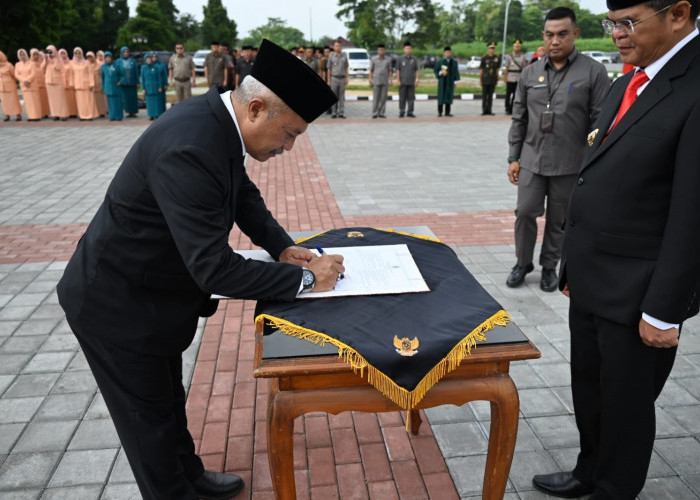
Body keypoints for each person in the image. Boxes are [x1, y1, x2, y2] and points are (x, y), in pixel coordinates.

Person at [56, 38, 342, 500]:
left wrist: (282, 247)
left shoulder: (217, 124)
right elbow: (214, 268)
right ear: (255, 109)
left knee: (168, 401)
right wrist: (307, 278)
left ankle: (190, 476)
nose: (288, 147)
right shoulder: (190, 146)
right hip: (116, 304)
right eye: (289, 134)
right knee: (146, 420)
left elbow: (241, 193)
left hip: (153, 294)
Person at [532, 0, 700, 498]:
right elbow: (595, 171)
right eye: (613, 23)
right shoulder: (629, 81)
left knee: (626, 406)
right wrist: (571, 267)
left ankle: (614, 489)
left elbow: (693, 213)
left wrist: (665, 310)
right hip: (591, 278)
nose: (619, 35)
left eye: (630, 22)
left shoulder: (693, 86)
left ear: (679, 14)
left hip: (640, 290)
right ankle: (589, 471)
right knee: (590, 388)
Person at [506, 6, 609, 292]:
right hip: (532, 159)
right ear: (543, 35)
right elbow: (519, 118)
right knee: (525, 212)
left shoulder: (593, 72)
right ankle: (522, 263)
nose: (555, 41)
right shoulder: (530, 73)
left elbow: (598, 123)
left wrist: (591, 163)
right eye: (550, 35)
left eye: (563, 34)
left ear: (575, 34)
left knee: (559, 220)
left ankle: (550, 266)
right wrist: (514, 157)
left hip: (571, 163)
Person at [15, 48, 42, 121]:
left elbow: (33, 73)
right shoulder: (17, 64)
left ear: (26, 54)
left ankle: (37, 116)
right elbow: (17, 74)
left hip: (32, 84)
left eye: (23, 54)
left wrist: (28, 80)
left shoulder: (31, 63)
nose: (22, 56)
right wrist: (24, 81)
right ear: (18, 56)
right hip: (24, 85)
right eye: (21, 55)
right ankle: (31, 116)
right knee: (28, 102)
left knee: (35, 101)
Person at [71, 47, 97, 121]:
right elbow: (71, 75)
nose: (77, 54)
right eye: (76, 53)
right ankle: (82, 115)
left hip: (86, 84)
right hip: (77, 85)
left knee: (88, 101)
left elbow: (90, 73)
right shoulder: (72, 63)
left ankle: (89, 115)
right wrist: (72, 84)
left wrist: (92, 83)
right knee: (80, 102)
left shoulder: (86, 62)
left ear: (82, 53)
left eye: (79, 53)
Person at [434, 46, 460, 117]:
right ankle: (440, 112)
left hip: (450, 82)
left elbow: (455, 72)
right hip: (442, 82)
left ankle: (447, 112)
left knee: (449, 96)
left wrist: (455, 81)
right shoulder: (440, 62)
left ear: (451, 53)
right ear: (444, 53)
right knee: (441, 96)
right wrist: (441, 72)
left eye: (449, 52)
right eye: (446, 52)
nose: (448, 54)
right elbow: (436, 70)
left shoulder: (454, 62)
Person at [396, 41, 419, 118]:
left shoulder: (414, 59)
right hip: (402, 82)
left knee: (411, 98)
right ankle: (402, 111)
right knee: (402, 97)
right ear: (404, 49)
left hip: (411, 82)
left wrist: (417, 80)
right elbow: (398, 70)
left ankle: (410, 111)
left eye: (409, 48)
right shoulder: (400, 59)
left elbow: (417, 70)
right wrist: (398, 80)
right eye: (406, 48)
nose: (408, 50)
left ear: (411, 49)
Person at [503, 39, 527, 115]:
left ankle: (512, 108)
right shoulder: (509, 56)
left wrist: (524, 78)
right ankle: (507, 108)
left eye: (518, 47)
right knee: (508, 94)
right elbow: (506, 67)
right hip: (510, 76)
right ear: (513, 47)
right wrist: (505, 77)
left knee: (516, 94)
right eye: (516, 47)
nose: (517, 48)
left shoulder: (523, 56)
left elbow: (523, 68)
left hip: (518, 77)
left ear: (520, 47)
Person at [369, 43, 393, 119]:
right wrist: (370, 80)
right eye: (379, 50)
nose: (381, 51)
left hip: (385, 81)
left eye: (382, 50)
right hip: (376, 81)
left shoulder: (388, 59)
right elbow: (371, 70)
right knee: (376, 98)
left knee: (383, 98)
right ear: (377, 51)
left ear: (385, 50)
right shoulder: (373, 59)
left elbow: (390, 70)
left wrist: (391, 80)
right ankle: (375, 113)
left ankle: (382, 113)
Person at [327, 40, 349, 118]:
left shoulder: (344, 56)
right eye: (336, 46)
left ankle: (341, 112)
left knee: (342, 97)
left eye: (339, 46)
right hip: (334, 78)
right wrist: (329, 80)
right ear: (334, 47)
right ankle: (334, 112)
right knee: (334, 97)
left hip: (342, 78)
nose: (337, 47)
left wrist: (347, 78)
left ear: (341, 47)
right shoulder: (331, 56)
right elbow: (329, 68)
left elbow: (346, 67)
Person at [101, 51, 124, 121]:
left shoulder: (116, 66)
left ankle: (119, 116)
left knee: (118, 102)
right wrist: (103, 87)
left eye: (109, 57)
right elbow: (102, 78)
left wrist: (120, 81)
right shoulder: (103, 67)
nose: (108, 59)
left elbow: (122, 75)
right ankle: (112, 116)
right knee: (110, 103)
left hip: (116, 86)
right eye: (106, 58)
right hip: (108, 87)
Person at [117, 46, 139, 117]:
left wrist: (138, 82)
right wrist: (119, 81)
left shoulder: (133, 61)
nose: (126, 53)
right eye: (124, 52)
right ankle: (128, 112)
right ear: (122, 53)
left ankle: (133, 112)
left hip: (132, 83)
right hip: (124, 84)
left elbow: (136, 72)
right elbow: (117, 73)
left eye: (127, 52)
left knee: (133, 98)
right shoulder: (118, 61)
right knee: (126, 99)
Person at [141, 53, 164, 120]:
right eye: (147, 59)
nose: (149, 60)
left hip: (155, 86)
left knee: (156, 101)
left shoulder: (156, 67)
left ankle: (157, 114)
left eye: (150, 59)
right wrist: (143, 88)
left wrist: (160, 86)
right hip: (148, 87)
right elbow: (142, 78)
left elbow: (159, 77)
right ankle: (151, 115)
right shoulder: (143, 68)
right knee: (149, 102)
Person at [479, 42, 501, 116]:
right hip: (485, 78)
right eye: (491, 48)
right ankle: (484, 110)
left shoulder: (497, 58)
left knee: (490, 96)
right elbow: (482, 69)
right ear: (488, 49)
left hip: (493, 78)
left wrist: (498, 78)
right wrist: (480, 79)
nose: (492, 50)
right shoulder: (484, 58)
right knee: (485, 95)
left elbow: (497, 69)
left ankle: (489, 110)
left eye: (493, 48)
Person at [0, 50, 22, 121]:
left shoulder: (8, 65)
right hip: (1, 87)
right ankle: (7, 115)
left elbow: (14, 75)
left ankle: (18, 115)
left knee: (14, 100)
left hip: (10, 85)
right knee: (4, 102)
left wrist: (12, 82)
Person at [30, 49, 50, 118]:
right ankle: (38, 113)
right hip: (34, 83)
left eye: (37, 54)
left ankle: (46, 112)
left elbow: (43, 68)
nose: (36, 56)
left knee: (44, 98)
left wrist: (45, 59)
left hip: (43, 82)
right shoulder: (30, 63)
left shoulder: (42, 61)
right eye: (34, 54)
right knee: (37, 99)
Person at [59, 48, 78, 117]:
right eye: (61, 54)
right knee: (65, 100)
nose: (62, 55)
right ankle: (66, 113)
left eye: (63, 53)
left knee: (72, 99)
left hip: (70, 83)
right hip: (62, 84)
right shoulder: (58, 64)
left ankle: (73, 113)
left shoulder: (71, 62)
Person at [86, 51, 105, 117]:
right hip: (90, 84)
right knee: (92, 99)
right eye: (88, 57)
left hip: (98, 82)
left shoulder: (98, 65)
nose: (90, 59)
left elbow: (102, 74)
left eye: (91, 57)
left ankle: (101, 112)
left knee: (99, 98)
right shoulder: (86, 65)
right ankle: (94, 112)